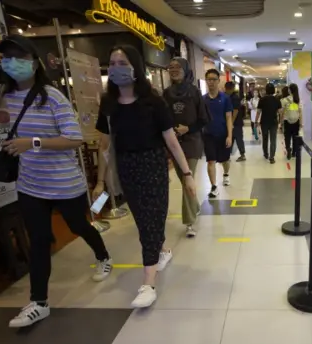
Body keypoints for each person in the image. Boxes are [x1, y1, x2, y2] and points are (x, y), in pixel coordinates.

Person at [0, 35, 113, 328]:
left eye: (19, 58)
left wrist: (32, 143)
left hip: (64, 183)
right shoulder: (5, 98)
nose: (12, 64)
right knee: (38, 241)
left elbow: (74, 138)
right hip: (29, 184)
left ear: (35, 64)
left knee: (78, 226)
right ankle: (39, 302)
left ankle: (103, 255)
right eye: (6, 58)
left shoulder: (52, 97)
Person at [93, 45, 196, 308]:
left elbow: (171, 142)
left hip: (153, 166)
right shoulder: (107, 104)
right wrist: (100, 182)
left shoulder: (154, 101)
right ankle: (161, 250)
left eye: (122, 62)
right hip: (127, 168)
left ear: (135, 67)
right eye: (112, 63)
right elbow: (104, 146)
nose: (116, 68)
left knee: (152, 221)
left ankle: (148, 282)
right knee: (144, 221)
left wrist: (186, 174)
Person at [163, 57, 209, 238]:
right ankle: (195, 206)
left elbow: (204, 119)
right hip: (174, 143)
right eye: (171, 67)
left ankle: (189, 222)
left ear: (185, 69)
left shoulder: (194, 92)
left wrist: (187, 128)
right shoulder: (166, 94)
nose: (174, 70)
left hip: (192, 142)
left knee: (187, 177)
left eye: (177, 67)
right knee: (184, 180)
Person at [203, 69, 233, 198]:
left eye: (213, 79)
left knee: (225, 160)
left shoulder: (225, 98)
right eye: (208, 79)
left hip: (223, 134)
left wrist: (229, 136)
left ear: (218, 81)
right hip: (208, 135)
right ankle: (214, 186)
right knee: (211, 161)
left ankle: (226, 174)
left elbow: (228, 118)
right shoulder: (202, 99)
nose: (211, 82)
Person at [256, 83, 281, 164]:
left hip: (264, 122)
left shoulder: (262, 99)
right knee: (273, 140)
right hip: (273, 122)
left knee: (265, 139)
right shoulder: (277, 99)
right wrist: (280, 121)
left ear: (266, 90)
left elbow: (258, 112)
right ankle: (272, 157)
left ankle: (266, 154)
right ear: (274, 90)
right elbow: (280, 112)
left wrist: (256, 121)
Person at [225, 81, 246, 162]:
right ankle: (227, 156)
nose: (228, 91)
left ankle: (242, 155)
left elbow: (236, 111)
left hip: (236, 123)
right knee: (230, 138)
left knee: (238, 138)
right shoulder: (226, 96)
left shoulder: (235, 98)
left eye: (229, 89)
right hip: (230, 122)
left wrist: (231, 122)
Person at [282, 83, 303, 160]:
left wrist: (280, 122)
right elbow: (300, 112)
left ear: (290, 90)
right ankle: (294, 152)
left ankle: (288, 149)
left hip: (287, 121)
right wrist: (301, 122)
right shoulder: (298, 100)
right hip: (296, 121)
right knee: (295, 137)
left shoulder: (285, 100)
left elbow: (282, 111)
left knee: (287, 137)